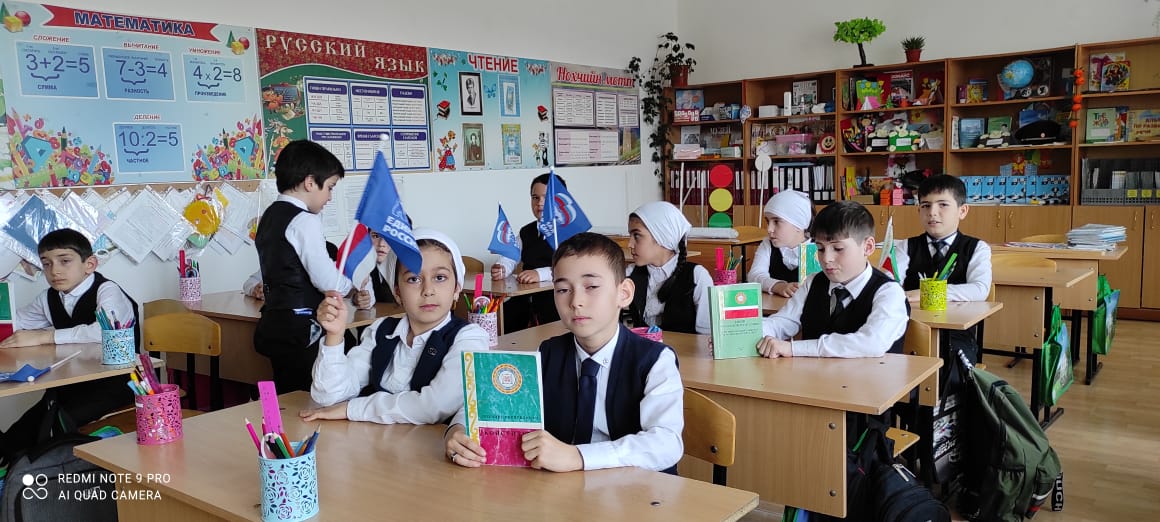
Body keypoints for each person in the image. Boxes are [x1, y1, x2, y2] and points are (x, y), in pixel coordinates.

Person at [444, 232, 683, 472]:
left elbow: (666, 443)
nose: (576, 301)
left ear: (624, 293)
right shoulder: (548, 354)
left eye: (591, 286)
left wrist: (578, 456)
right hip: (561, 487)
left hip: (634, 489)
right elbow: (490, 404)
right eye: (563, 289)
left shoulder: (655, 360)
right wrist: (458, 431)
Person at [300, 229, 489, 424]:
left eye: (440, 277)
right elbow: (329, 397)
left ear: (457, 288)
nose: (428, 290)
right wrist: (334, 336)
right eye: (414, 279)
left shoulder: (470, 338)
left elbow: (434, 406)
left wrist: (353, 408)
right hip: (375, 440)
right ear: (397, 292)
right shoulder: (381, 330)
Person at [0, 229, 141, 458]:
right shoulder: (49, 297)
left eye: (64, 261)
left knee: (55, 429)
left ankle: (53, 472)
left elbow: (104, 331)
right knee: (16, 437)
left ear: (90, 264)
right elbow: (15, 322)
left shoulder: (107, 290)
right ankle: (16, 471)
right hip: (69, 386)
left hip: (117, 385)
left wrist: (45, 336)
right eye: (46, 264)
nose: (54, 271)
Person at [253, 140, 367, 392]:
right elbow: (326, 281)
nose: (330, 197)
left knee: (289, 393)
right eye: (330, 187)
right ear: (310, 182)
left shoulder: (269, 216)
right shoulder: (305, 220)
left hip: (276, 324)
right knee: (319, 392)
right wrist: (352, 283)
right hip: (304, 329)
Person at [756, 201, 908, 359]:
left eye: (838, 249)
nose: (826, 258)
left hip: (872, 375)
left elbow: (871, 343)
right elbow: (782, 322)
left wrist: (793, 348)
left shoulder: (889, 292)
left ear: (868, 247)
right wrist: (748, 330)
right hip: (815, 374)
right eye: (820, 249)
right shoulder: (814, 282)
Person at [895, 174, 991, 367]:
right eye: (925, 205)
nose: (932, 212)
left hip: (955, 333)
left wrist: (926, 293)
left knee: (949, 368)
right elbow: (889, 285)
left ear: (962, 211)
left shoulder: (976, 248)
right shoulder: (904, 246)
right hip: (910, 328)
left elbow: (980, 289)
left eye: (943, 205)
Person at [623, 201, 712, 335]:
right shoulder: (630, 274)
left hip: (684, 349)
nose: (630, 244)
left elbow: (707, 336)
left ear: (662, 236)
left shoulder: (697, 276)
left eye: (637, 235)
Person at [491, 173, 563, 332]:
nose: (540, 203)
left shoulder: (568, 232)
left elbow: (570, 268)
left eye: (546, 198)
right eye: (535, 198)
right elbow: (511, 256)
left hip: (555, 299)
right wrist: (502, 268)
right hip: (525, 298)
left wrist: (539, 274)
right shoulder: (526, 232)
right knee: (503, 322)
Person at [747, 190, 815, 297]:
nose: (769, 229)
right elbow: (754, 275)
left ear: (798, 224)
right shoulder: (767, 244)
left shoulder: (819, 247)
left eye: (776, 222)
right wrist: (778, 286)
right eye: (768, 222)